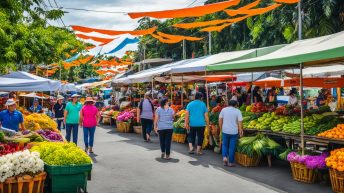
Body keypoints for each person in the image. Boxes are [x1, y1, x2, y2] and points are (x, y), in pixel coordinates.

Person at [219, 100, 243, 167]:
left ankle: (224, 158)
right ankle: (231, 162)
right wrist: (240, 130)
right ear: (235, 105)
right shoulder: (237, 111)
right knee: (232, 147)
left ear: (228, 104)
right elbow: (240, 122)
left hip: (225, 130)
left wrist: (221, 128)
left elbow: (220, 119)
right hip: (234, 131)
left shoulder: (224, 110)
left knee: (225, 145)